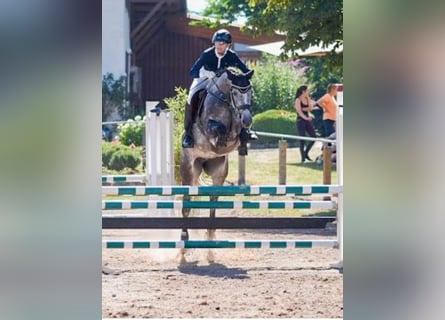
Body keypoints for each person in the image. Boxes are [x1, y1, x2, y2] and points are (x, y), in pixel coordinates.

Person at [182, 28, 257, 148]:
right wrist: (206, 74)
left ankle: (245, 130)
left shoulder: (231, 55)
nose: (219, 46)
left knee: (241, 96)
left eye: (222, 44)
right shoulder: (208, 54)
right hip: (204, 78)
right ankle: (188, 133)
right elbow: (193, 71)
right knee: (192, 97)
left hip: (223, 83)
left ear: (228, 45)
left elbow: (245, 70)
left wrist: (246, 77)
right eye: (217, 43)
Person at [294, 85, 316, 162]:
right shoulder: (298, 100)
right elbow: (299, 112)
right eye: (307, 91)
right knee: (302, 139)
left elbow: (311, 108)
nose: (308, 92)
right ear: (303, 91)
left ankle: (306, 153)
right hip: (301, 120)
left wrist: (305, 107)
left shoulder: (307, 98)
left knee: (314, 137)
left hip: (307, 119)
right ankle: (302, 158)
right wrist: (306, 117)